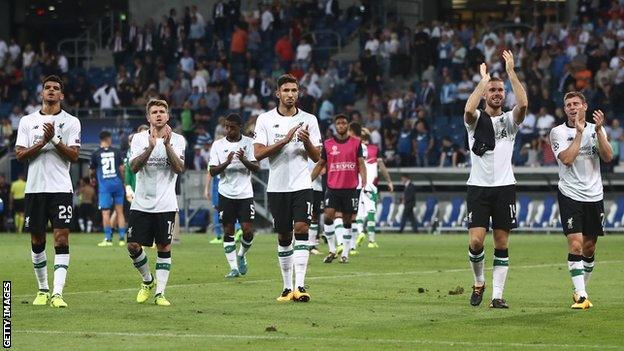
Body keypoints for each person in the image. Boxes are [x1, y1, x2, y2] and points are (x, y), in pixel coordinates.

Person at [463, 50, 527, 309]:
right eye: (493, 90)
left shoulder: (510, 121)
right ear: (485, 94)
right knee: (476, 241)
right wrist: (482, 80)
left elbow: (522, 105)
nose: (498, 93)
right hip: (478, 187)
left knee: (501, 242)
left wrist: (511, 71)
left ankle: (497, 296)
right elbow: (468, 108)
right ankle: (479, 282)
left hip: (504, 188)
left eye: (500, 90)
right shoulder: (475, 120)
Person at [253, 74, 322, 302]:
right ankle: (286, 287)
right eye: (286, 90)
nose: (290, 94)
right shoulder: (265, 119)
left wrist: (306, 142)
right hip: (277, 186)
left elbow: (317, 157)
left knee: (301, 228)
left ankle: (300, 286)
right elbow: (258, 154)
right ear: (278, 94)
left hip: (302, 185)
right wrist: (285, 140)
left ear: (298, 93)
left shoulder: (310, 119)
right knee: (284, 234)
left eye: (294, 90)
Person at [15, 75, 82, 308]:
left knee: (61, 237)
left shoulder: (71, 121)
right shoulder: (27, 121)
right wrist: (42, 142)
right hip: (35, 189)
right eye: (47, 88)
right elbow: (20, 155)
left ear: (61, 95)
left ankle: (57, 293)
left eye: (56, 89)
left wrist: (54, 139)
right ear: (42, 93)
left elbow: (74, 155)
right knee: (37, 239)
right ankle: (42, 289)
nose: (51, 91)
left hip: (61, 188)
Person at [549, 93, 613, 309]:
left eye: (576, 104)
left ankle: (579, 290)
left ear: (585, 106)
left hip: (594, 195)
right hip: (570, 194)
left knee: (589, 247)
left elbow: (608, 157)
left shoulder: (597, 129)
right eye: (568, 105)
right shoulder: (557, 132)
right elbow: (566, 159)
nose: (572, 108)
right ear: (564, 110)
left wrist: (598, 132)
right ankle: (582, 296)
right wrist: (578, 134)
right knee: (575, 244)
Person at [127, 99, 186, 306]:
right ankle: (147, 280)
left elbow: (179, 168)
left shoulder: (178, 140)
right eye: (154, 112)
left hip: (166, 204)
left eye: (162, 111)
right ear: (148, 117)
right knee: (133, 246)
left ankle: (160, 293)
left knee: (163, 246)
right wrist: (150, 148)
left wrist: (167, 145)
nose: (159, 115)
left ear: (168, 116)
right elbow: (133, 168)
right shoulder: (138, 139)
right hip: (141, 202)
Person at [209, 113, 259, 278]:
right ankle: (233, 268)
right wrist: (227, 162)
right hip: (226, 193)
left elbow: (256, 167)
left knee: (247, 230)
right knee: (228, 230)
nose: (228, 130)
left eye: (232, 127)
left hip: (245, 194)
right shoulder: (217, 145)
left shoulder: (249, 143)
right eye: (226, 126)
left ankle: (241, 254)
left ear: (240, 127)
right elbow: (212, 170)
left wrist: (243, 160)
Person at [312, 114, 366, 264]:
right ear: (335, 126)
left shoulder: (356, 143)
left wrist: (365, 181)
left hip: (350, 188)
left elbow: (361, 164)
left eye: (344, 123)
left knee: (348, 220)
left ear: (347, 125)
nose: (341, 126)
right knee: (328, 216)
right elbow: (320, 164)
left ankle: (346, 253)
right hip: (333, 187)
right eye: (339, 123)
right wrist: (308, 179)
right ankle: (332, 249)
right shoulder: (328, 144)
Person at [349, 123, 394, 248]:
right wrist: (389, 181)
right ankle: (371, 241)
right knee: (371, 212)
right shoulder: (375, 149)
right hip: (371, 185)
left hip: (357, 184)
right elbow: (382, 167)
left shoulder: (354, 147)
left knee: (357, 212)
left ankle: (359, 232)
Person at [91, 131, 127, 246]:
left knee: (105, 212)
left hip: (105, 186)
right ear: (107, 138)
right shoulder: (116, 152)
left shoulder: (96, 153)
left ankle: (108, 239)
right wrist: (123, 181)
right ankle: (122, 239)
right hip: (117, 184)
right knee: (120, 212)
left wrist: (92, 178)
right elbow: (122, 169)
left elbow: (91, 170)